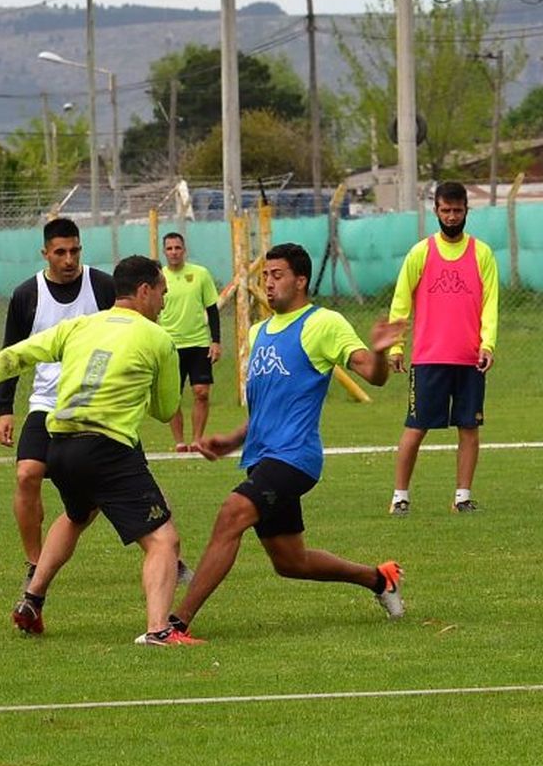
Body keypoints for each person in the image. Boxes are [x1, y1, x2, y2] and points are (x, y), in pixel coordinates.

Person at [0, 255, 201, 647]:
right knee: (163, 540)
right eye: (163, 293)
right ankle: (159, 631)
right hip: (108, 449)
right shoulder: (160, 340)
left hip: (59, 445)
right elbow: (165, 410)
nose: (164, 303)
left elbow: (15, 355)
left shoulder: (79, 326)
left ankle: (32, 600)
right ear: (145, 291)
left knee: (78, 514)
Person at [167, 243, 407, 643]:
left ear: (300, 280)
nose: (269, 283)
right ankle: (379, 580)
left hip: (296, 458)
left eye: (276, 275)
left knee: (232, 513)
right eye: (265, 276)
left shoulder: (323, 323)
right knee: (290, 562)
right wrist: (230, 440)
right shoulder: (260, 332)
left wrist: (380, 354)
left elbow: (373, 374)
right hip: (263, 459)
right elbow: (266, 410)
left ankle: (176, 624)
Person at [0, 218, 115, 584]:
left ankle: (164, 550)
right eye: (60, 252)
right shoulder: (27, 294)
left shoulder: (102, 286)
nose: (69, 259)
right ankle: (35, 561)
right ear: (45, 253)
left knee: (107, 487)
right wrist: (3, 409)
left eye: (75, 250)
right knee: (27, 473)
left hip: (97, 406)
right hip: (46, 404)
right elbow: (11, 354)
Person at [386, 180, 500, 515]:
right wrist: (396, 346)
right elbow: (400, 301)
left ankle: (462, 498)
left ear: (467, 211)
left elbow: (491, 303)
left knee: (469, 427)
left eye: (457, 210)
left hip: (469, 359)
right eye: (446, 210)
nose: (451, 216)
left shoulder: (482, 253)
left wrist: (487, 344)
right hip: (428, 358)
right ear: (435, 210)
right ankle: (400, 497)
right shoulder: (421, 252)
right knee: (415, 427)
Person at [157, 231, 221, 452]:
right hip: (170, 345)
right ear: (164, 251)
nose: (174, 252)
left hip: (198, 343)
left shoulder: (200, 274)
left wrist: (216, 341)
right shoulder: (159, 277)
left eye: (177, 248)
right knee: (173, 398)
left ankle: (196, 439)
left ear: (184, 250)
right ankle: (179, 442)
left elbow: (212, 309)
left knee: (201, 392)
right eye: (169, 248)